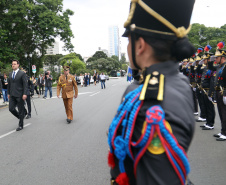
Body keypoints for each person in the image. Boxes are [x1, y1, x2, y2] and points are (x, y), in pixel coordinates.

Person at [107, 0, 195, 184]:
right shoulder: (177, 79)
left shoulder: (150, 101)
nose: (128, 47)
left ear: (140, 45)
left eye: (129, 40)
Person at [209, 42, 226, 141]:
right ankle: (223, 131)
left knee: (224, 113)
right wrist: (210, 56)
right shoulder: (220, 66)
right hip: (219, 93)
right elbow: (211, 67)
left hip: (224, 93)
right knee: (221, 112)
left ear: (222, 57)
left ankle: (225, 133)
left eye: (217, 57)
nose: (215, 59)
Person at [8, 60, 28, 131]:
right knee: (11, 108)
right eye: (12, 64)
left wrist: (25, 93)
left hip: (20, 94)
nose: (13, 65)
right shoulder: (10, 74)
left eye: (14, 64)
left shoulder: (22, 73)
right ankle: (20, 117)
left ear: (18, 65)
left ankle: (20, 125)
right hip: (12, 95)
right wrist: (8, 93)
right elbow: (9, 84)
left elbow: (25, 84)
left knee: (20, 110)